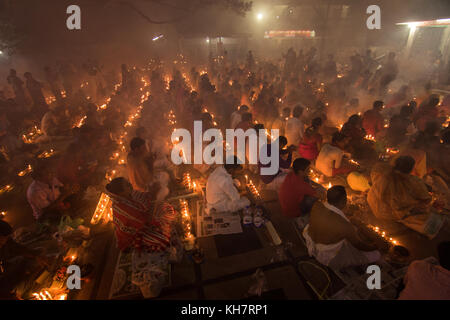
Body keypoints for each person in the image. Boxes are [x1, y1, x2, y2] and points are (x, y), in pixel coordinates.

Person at [303, 186, 381, 270]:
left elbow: (331, 217)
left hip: (312, 241)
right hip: (327, 258)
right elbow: (360, 246)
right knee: (376, 255)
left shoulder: (317, 205)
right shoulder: (345, 225)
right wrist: (375, 246)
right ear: (343, 201)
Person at [367, 156, 444, 238]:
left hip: (372, 201)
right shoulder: (414, 182)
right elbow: (426, 199)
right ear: (411, 169)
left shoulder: (381, 169)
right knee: (434, 220)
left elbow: (373, 176)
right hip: (388, 213)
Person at [0, 220, 49, 299]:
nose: (4, 242)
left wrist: (36, 256)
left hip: (6, 270)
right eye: (2, 240)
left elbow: (18, 248)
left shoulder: (6, 242)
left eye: (7, 238)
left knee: (31, 258)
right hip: (4, 286)